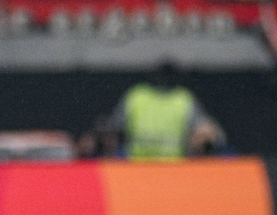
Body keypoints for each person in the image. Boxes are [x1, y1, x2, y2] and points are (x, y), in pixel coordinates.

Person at [78, 63, 226, 160]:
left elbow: (207, 132)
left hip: (172, 167)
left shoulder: (181, 99)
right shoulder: (138, 96)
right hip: (140, 166)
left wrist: (204, 139)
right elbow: (113, 128)